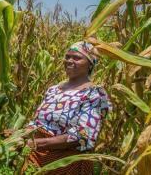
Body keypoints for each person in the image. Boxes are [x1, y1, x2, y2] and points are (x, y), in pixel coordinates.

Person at [24, 41, 111, 174]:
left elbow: (83, 136)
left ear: (90, 64)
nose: (69, 61)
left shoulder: (94, 94)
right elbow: (38, 122)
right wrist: (21, 135)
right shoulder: (53, 90)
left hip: (66, 163)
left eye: (77, 58)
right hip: (36, 157)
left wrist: (37, 143)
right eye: (67, 56)